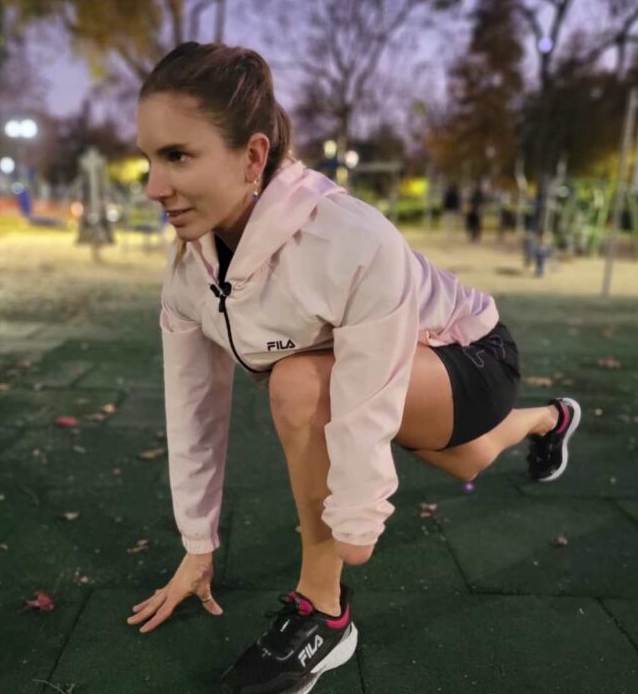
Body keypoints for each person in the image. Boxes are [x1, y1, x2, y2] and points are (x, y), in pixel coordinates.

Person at [128, 41, 582, 694]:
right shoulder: (188, 274)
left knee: (299, 385)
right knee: (466, 458)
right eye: (148, 158)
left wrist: (357, 519)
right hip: (394, 373)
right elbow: (193, 409)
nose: (152, 187)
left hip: (473, 357)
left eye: (177, 156)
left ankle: (325, 617)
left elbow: (362, 404)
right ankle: (549, 418)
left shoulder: (350, 240)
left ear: (253, 156)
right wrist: (197, 543)